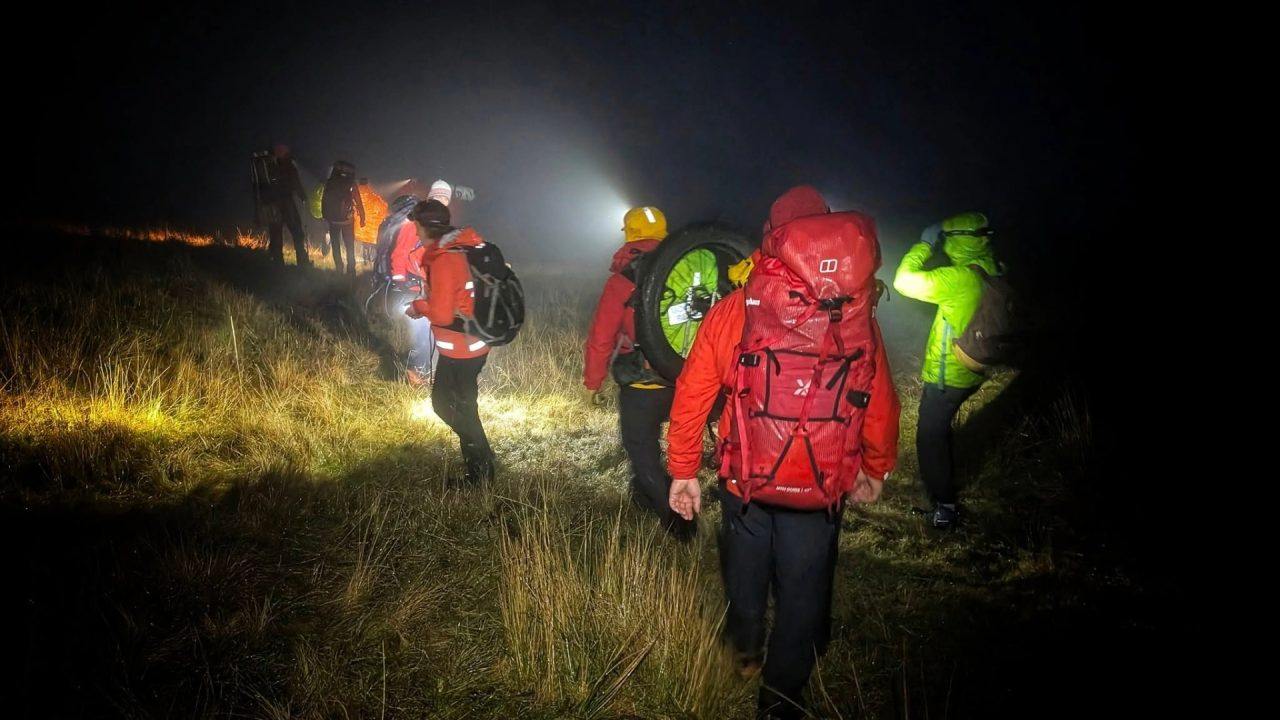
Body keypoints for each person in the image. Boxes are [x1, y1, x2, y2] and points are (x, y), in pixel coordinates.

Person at [666, 186, 900, 719]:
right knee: (804, 584)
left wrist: (682, 469)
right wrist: (875, 465)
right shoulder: (857, 313)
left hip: (745, 477)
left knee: (745, 564)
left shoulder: (738, 307)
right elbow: (880, 398)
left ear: (774, 239)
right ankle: (781, 698)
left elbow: (694, 390)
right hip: (821, 487)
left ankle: (746, 649)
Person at [582, 206, 694, 539]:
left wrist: (592, 383)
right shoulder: (686, 268)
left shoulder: (623, 279)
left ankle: (679, 524)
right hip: (689, 381)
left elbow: (602, 337)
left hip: (644, 385)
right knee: (678, 449)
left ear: (629, 235)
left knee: (641, 449)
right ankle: (646, 495)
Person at [892, 211, 999, 530]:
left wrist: (924, 245)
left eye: (949, 239)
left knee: (930, 438)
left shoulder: (960, 279)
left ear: (960, 242)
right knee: (941, 431)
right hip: (975, 367)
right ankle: (945, 498)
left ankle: (945, 507)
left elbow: (903, 281)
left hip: (948, 375)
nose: (946, 245)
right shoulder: (991, 267)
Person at [406, 199, 495, 484]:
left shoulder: (445, 258)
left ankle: (481, 469)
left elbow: (442, 315)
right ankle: (480, 467)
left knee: (445, 404)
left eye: (417, 226)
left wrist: (419, 306)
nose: (416, 233)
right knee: (464, 405)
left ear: (425, 226)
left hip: (461, 348)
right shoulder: (460, 248)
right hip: (471, 342)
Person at [386, 196, 435, 388]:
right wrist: (402, 283)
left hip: (422, 289)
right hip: (413, 290)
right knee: (421, 332)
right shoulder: (411, 227)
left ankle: (420, 371)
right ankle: (416, 373)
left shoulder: (435, 229)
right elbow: (399, 254)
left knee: (426, 333)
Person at [261, 144, 310, 267]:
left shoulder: (268, 165)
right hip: (287, 202)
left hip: (272, 204)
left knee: (276, 233)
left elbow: (263, 186)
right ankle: (302, 261)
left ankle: (277, 262)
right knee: (297, 231)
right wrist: (303, 197)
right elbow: (296, 183)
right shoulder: (289, 165)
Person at [321, 161, 367, 276]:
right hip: (347, 220)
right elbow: (358, 201)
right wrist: (362, 217)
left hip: (333, 220)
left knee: (335, 244)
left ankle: (339, 269)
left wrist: (325, 216)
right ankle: (351, 270)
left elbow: (324, 200)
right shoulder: (351, 184)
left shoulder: (330, 182)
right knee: (349, 245)